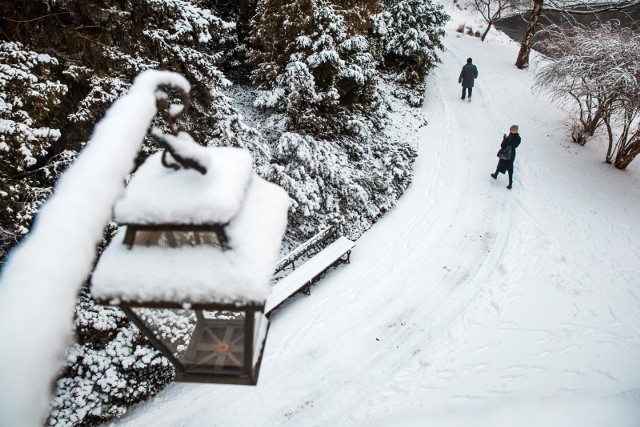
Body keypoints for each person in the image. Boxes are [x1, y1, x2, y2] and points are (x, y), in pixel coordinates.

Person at [491, 125, 521, 189]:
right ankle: (510, 184)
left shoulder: (509, 137)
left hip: (505, 153)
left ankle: (495, 174)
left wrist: (505, 139)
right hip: (512, 154)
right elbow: (516, 145)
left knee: (501, 164)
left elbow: (502, 145)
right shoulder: (518, 138)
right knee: (510, 168)